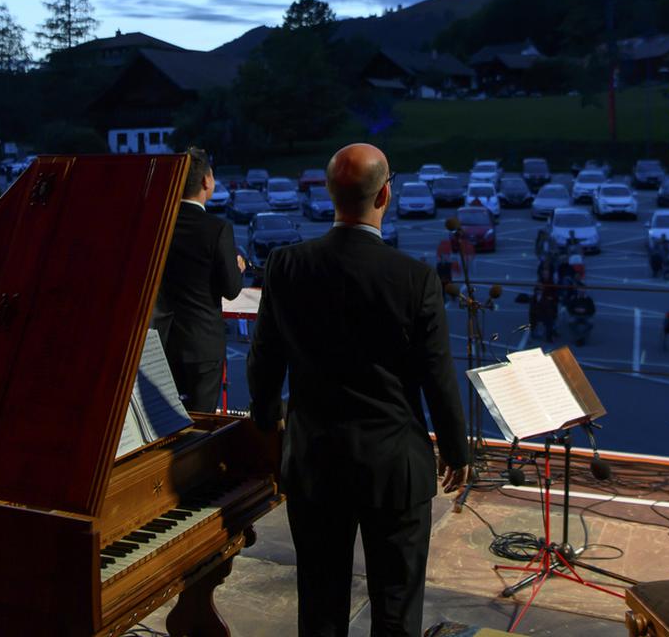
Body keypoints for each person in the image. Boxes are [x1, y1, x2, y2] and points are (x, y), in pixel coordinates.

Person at [248, 143, 470, 637]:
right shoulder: (414, 278)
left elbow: (263, 362)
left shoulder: (285, 265)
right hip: (395, 466)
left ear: (329, 194)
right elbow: (437, 375)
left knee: (320, 602)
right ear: (385, 194)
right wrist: (456, 448)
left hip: (315, 461)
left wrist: (268, 424)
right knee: (396, 606)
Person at [151, 147, 246, 413]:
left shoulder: (157, 226)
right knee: (201, 424)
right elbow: (231, 290)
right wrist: (237, 267)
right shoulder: (217, 229)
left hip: (163, 342)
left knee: (166, 422)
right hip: (202, 345)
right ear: (206, 181)